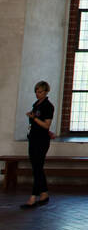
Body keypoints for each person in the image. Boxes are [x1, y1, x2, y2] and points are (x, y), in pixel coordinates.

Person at [20, 80, 55, 209]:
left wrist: (34, 118)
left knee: (38, 167)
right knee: (36, 167)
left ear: (46, 92)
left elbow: (46, 124)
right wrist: (32, 117)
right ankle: (44, 193)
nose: (37, 94)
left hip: (41, 141)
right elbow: (38, 124)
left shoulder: (48, 106)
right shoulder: (36, 104)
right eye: (36, 91)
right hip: (33, 138)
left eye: (40, 92)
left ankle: (33, 197)